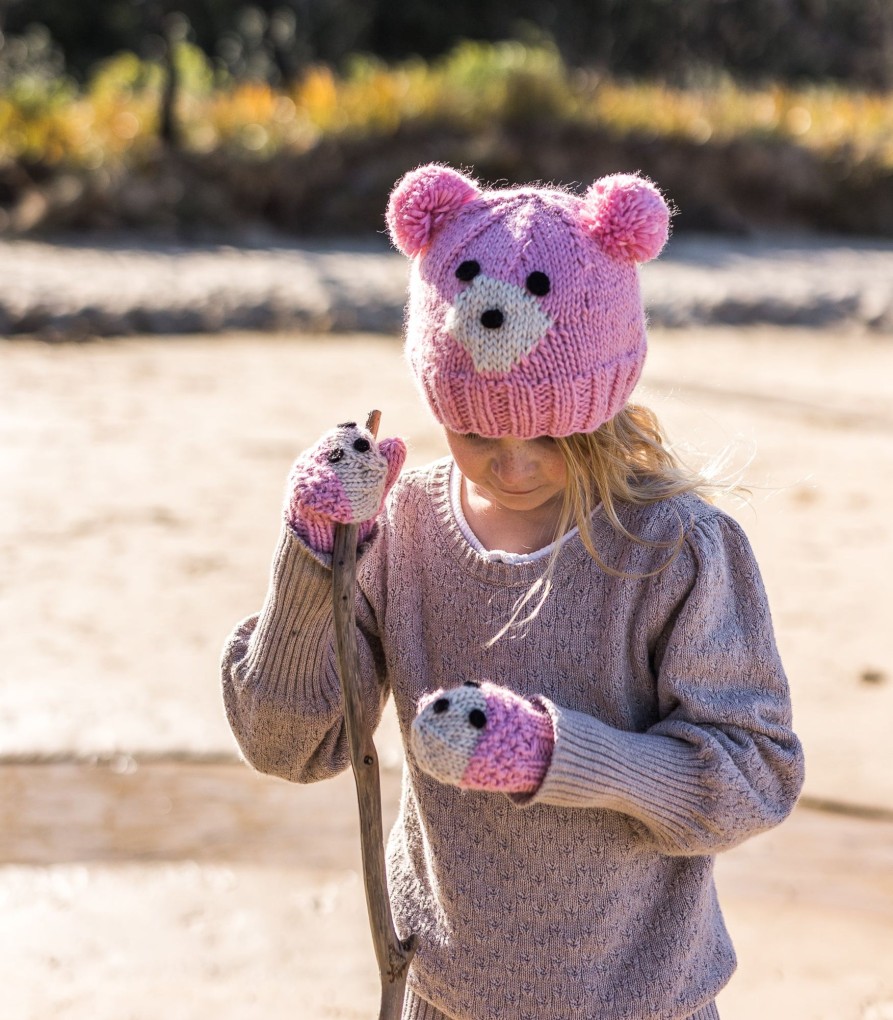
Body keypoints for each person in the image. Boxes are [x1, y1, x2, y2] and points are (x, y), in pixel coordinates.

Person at [221, 164, 805, 1020]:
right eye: (475, 430)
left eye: (548, 431)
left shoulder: (674, 548)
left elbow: (754, 777)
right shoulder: (406, 527)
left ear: (605, 396)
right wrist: (315, 557)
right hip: (443, 999)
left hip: (644, 1005)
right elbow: (289, 745)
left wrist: (554, 757)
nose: (513, 462)